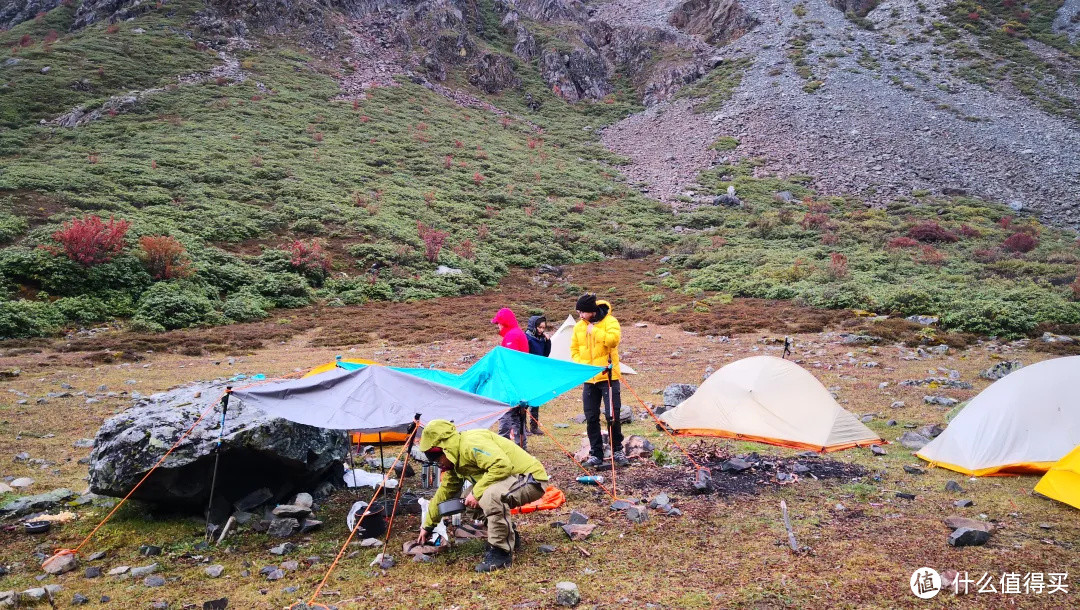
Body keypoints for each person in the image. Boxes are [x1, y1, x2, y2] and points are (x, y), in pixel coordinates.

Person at [417, 419, 549, 572]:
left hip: (530, 478)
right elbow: (443, 494)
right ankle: (507, 534)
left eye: (437, 459)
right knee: (466, 500)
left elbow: (502, 465)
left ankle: (501, 552)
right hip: (511, 479)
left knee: (489, 496)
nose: (438, 464)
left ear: (444, 448)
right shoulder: (455, 461)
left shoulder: (471, 443)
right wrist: (427, 525)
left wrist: (476, 492)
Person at [570, 293, 628, 468]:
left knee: (612, 415)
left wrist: (594, 331)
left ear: (591, 311)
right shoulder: (579, 327)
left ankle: (617, 450)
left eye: (582, 312)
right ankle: (596, 454)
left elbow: (613, 341)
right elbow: (574, 350)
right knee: (591, 416)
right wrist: (585, 366)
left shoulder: (610, 321)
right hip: (589, 378)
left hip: (608, 376)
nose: (580, 316)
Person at [492, 307, 529, 447]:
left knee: (507, 412)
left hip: (512, 382)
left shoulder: (512, 336)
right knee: (517, 415)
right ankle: (521, 447)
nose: (498, 326)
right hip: (518, 380)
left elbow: (510, 360)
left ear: (504, 322)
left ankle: (504, 446)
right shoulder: (516, 333)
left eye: (499, 323)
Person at [524, 315, 551, 435]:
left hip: (538, 372)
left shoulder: (541, 339)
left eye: (543, 328)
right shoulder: (526, 338)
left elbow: (545, 355)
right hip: (528, 372)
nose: (541, 330)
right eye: (539, 327)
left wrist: (548, 341)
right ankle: (523, 427)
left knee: (536, 399)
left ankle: (534, 426)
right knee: (524, 400)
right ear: (533, 326)